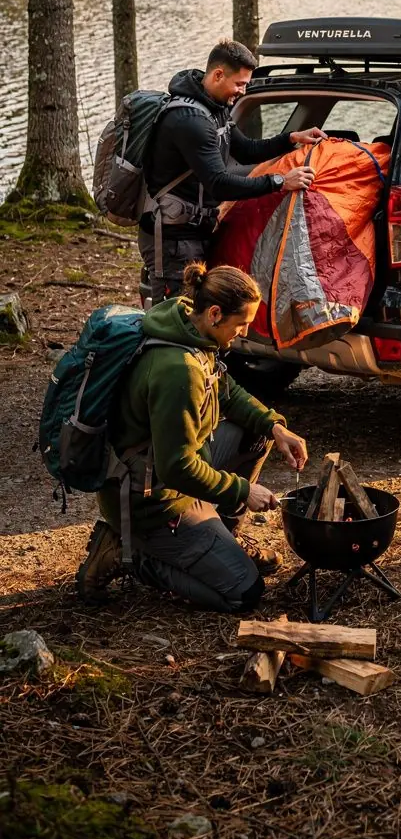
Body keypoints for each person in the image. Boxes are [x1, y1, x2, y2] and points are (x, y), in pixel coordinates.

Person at [77, 263, 309, 611]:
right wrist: (242, 490)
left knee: (254, 433)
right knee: (244, 593)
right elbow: (177, 468)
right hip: (151, 502)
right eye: (241, 323)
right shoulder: (177, 370)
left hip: (170, 470)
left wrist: (275, 426)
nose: (244, 332)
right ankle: (129, 554)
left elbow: (227, 392)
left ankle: (221, 538)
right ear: (216, 313)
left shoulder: (190, 326)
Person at [139, 38, 326, 304]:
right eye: (239, 84)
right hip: (172, 240)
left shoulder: (215, 110)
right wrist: (280, 181)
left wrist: (292, 138)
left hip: (196, 232)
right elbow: (220, 184)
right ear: (218, 75)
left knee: (197, 315)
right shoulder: (189, 121)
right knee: (172, 320)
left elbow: (246, 150)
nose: (242, 91)